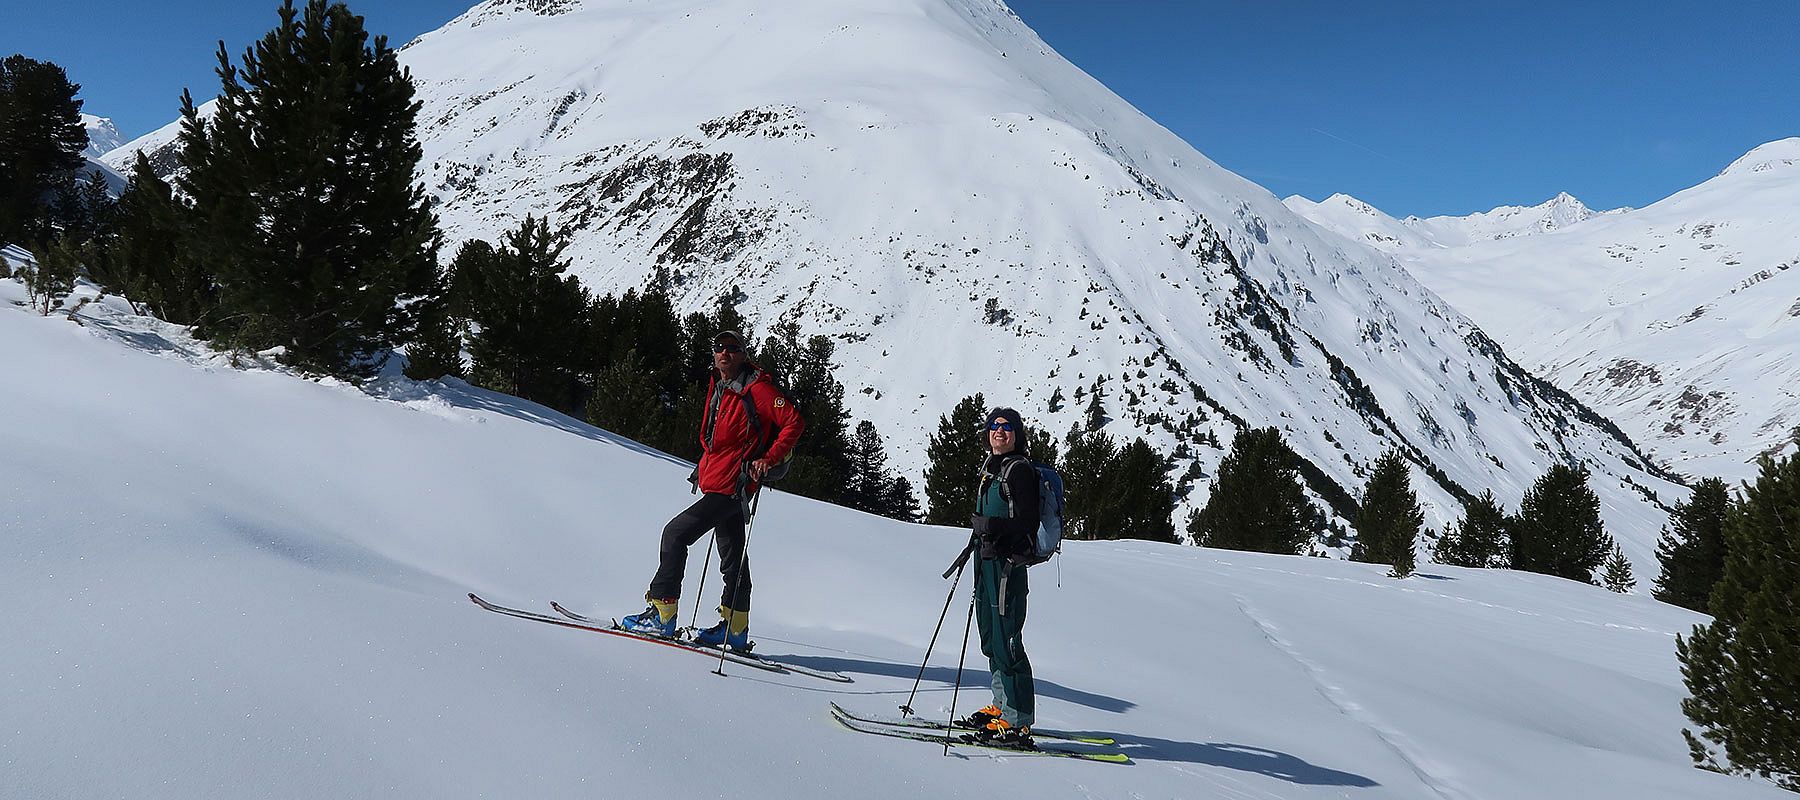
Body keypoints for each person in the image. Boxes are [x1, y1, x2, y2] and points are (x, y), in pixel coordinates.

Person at [619, 331, 804, 651]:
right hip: (722, 480)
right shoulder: (720, 384)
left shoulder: (757, 389)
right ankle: (735, 628)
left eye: (733, 349)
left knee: (675, 534)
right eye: (719, 348)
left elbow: (793, 422)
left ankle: (663, 612)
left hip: (734, 484)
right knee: (732, 555)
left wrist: (768, 459)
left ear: (744, 355)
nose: (725, 354)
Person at [960, 406, 1040, 747]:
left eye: (1007, 427)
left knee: (1008, 638)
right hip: (986, 560)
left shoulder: (1019, 471)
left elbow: (1027, 522)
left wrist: (992, 528)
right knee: (990, 634)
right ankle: (1001, 705)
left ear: (1017, 435)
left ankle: (1018, 720)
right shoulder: (991, 468)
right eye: (994, 426)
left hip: (1007, 565)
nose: (999, 431)